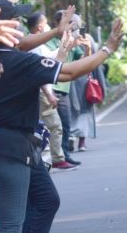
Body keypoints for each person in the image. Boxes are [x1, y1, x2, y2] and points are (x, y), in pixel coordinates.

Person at [0, 0, 125, 233]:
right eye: (17, 23)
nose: (22, 29)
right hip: (12, 151)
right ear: (6, 27)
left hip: (3, 146)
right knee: (10, 228)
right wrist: (107, 49)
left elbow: (25, 44)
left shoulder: (4, 59)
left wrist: (55, 33)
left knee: (32, 205)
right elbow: (73, 71)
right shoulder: (21, 62)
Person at [26, 12, 76, 170]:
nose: (48, 26)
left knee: (46, 126)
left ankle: (51, 159)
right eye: (46, 23)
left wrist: (64, 46)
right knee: (54, 126)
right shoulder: (32, 45)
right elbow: (44, 69)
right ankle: (56, 159)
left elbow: (49, 61)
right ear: (40, 26)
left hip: (42, 90)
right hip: (42, 91)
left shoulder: (34, 44)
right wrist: (48, 93)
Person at [48, 11, 88, 167]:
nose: (72, 25)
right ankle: (57, 157)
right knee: (54, 126)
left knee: (65, 124)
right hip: (51, 87)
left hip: (65, 88)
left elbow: (82, 61)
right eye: (69, 22)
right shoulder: (49, 40)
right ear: (59, 22)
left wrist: (88, 48)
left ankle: (64, 155)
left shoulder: (73, 39)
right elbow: (51, 59)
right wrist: (68, 44)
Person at [69, 33, 106, 152]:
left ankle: (73, 137)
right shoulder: (86, 38)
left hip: (69, 79)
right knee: (84, 111)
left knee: (74, 110)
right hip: (81, 79)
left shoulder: (63, 37)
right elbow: (93, 61)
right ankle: (81, 141)